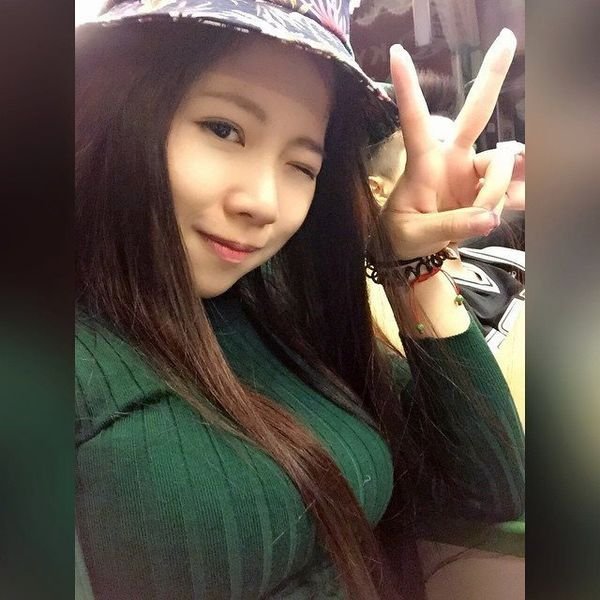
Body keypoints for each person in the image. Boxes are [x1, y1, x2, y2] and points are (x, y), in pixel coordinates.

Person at [76, 2, 525, 598]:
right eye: (224, 129)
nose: (264, 203)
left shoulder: (277, 313)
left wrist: (411, 268)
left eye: (301, 164)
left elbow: (491, 487)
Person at [366, 72, 526, 356]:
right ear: (378, 189)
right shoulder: (376, 304)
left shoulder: (504, 258)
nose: (461, 171)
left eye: (469, 154)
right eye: (434, 156)